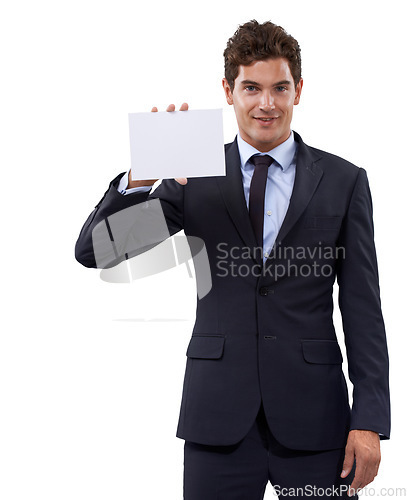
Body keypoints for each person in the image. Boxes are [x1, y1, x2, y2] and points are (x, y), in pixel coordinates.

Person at [75, 20, 390, 500]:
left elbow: (364, 310)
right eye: (251, 88)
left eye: (279, 88)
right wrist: (142, 178)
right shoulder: (190, 178)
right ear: (229, 91)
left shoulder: (344, 182)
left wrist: (369, 419)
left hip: (317, 425)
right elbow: (97, 250)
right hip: (217, 420)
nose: (266, 103)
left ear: (298, 90)